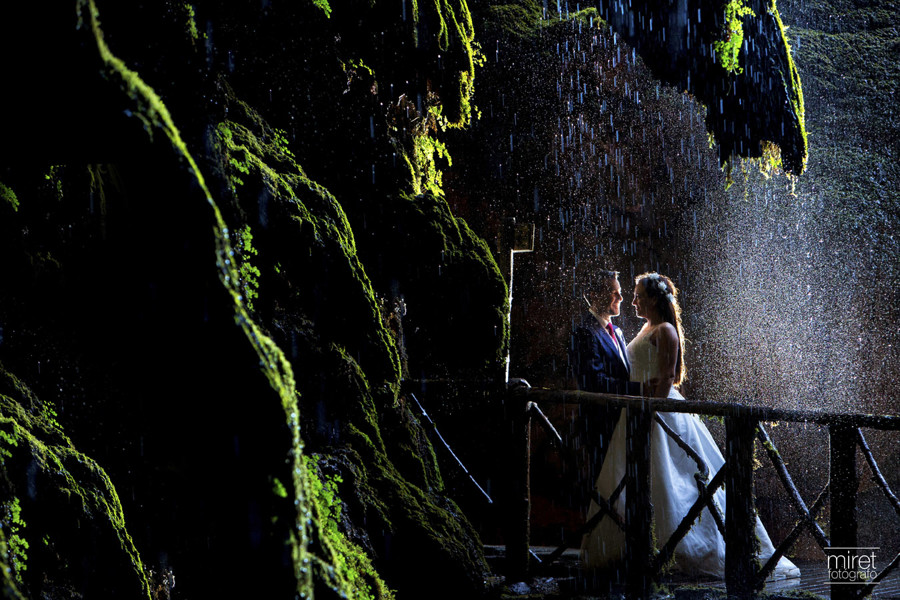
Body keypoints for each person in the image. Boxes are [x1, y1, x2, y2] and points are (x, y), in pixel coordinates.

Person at [580, 272, 801, 580]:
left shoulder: (666, 330)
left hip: (659, 411)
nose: (633, 300)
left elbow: (667, 378)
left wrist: (651, 409)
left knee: (676, 481)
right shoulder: (644, 328)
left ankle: (680, 549)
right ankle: (635, 548)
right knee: (638, 480)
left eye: (639, 295)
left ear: (655, 299)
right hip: (637, 411)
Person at [569, 270, 641, 486]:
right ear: (593, 294)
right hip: (601, 423)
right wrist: (637, 390)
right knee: (604, 484)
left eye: (620, 293)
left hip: (622, 421)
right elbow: (594, 382)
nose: (621, 298)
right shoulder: (584, 332)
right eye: (614, 292)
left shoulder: (617, 331)